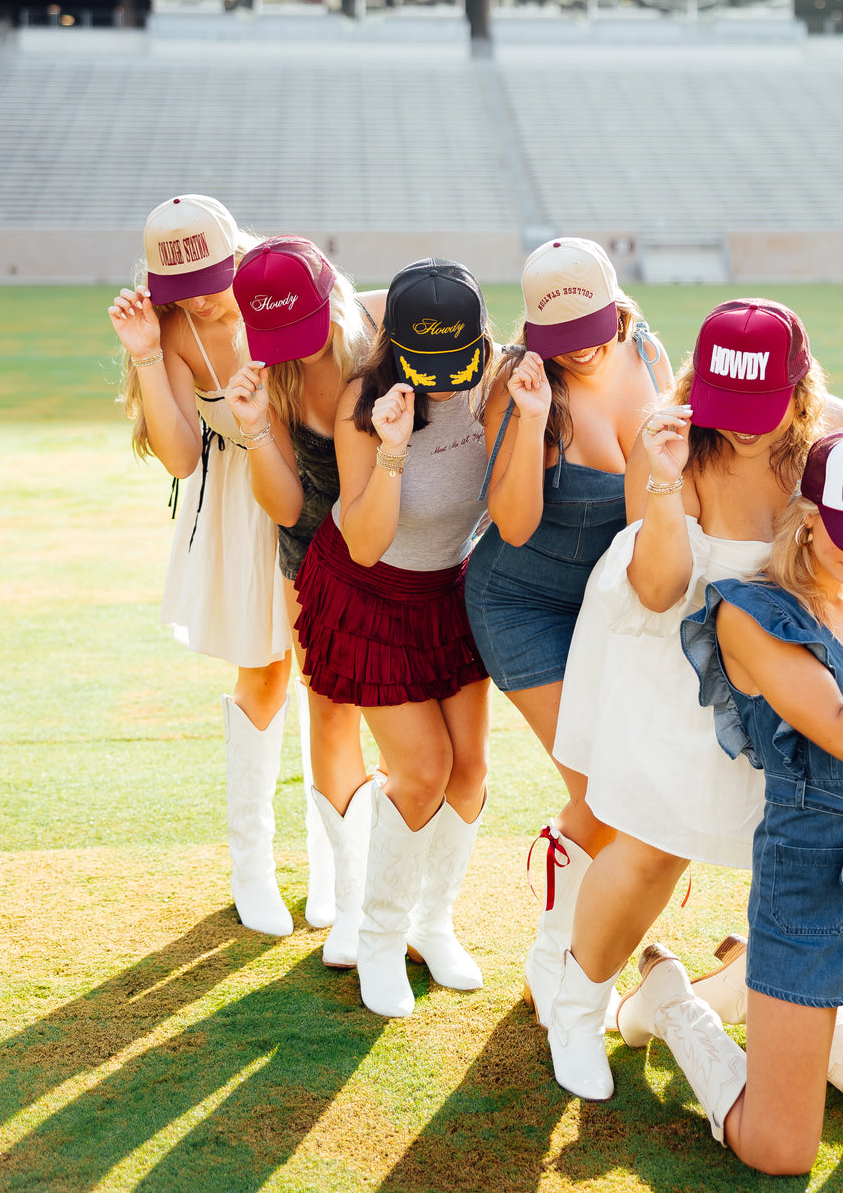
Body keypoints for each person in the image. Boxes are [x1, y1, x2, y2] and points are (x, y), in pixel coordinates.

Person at [615, 430, 843, 1177]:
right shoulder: (752, 612)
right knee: (780, 1150)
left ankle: (777, 1008)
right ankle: (672, 1000)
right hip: (808, 879)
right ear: (807, 514)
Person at [546, 297, 843, 1095]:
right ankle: (576, 1008)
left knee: (804, 841)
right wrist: (658, 482)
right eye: (732, 405)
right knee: (653, 847)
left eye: (765, 407)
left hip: (790, 674)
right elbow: (656, 590)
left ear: (800, 389)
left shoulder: (833, 438)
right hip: (680, 676)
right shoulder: (677, 441)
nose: (747, 428)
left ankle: (803, 1002)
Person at [462, 237, 672, 1028]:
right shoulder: (518, 385)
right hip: (521, 600)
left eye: (590, 326)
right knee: (601, 790)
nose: (578, 348)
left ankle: (560, 958)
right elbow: (512, 525)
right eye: (559, 336)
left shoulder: (648, 351)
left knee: (628, 793)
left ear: (616, 306)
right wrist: (532, 416)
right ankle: (557, 959)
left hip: (611, 606)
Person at [294, 259, 494, 1018]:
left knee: (470, 770)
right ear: (395, 347)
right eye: (427, 366)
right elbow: (369, 542)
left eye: (457, 364)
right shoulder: (364, 399)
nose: (444, 382)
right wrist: (393, 449)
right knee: (422, 770)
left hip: (450, 591)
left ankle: (429, 926)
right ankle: (377, 937)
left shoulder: (495, 380)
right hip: (372, 591)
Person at [109, 195, 298, 937]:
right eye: (185, 285)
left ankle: (336, 871)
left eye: (215, 273)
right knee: (266, 669)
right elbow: (183, 455)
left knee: (332, 673)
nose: (207, 294)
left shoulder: (279, 278)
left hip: (316, 479)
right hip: (239, 496)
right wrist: (148, 350)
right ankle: (252, 864)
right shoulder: (172, 326)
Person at [223, 236, 386, 955]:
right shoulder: (274, 373)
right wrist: (257, 427)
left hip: (396, 552)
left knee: (408, 729)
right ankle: (350, 898)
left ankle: (383, 896)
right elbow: (287, 508)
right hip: (315, 561)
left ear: (336, 293)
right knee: (331, 712)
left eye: (302, 326)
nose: (292, 348)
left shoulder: (384, 332)